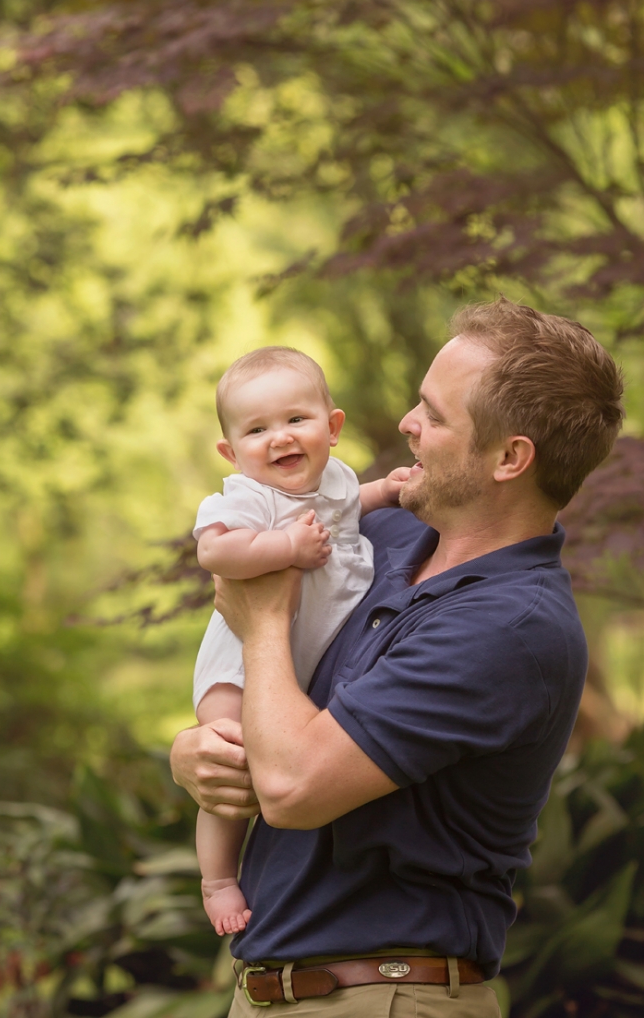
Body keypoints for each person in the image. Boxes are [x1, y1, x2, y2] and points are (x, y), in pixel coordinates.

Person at [171, 298, 624, 1018]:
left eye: (435, 415)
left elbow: (292, 786)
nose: (408, 425)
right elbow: (274, 719)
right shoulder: (382, 540)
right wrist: (197, 752)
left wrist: (261, 622)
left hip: (386, 994)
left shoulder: (507, 625)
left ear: (510, 458)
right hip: (272, 991)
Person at [192, 347, 410, 935]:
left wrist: (384, 492)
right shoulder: (250, 499)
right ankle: (217, 879)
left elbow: (346, 509)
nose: (279, 438)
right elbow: (214, 551)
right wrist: (284, 549)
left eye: (295, 420)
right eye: (257, 429)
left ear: (331, 428)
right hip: (239, 662)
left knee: (276, 754)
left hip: (290, 664)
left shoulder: (335, 482)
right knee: (229, 767)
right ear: (231, 453)